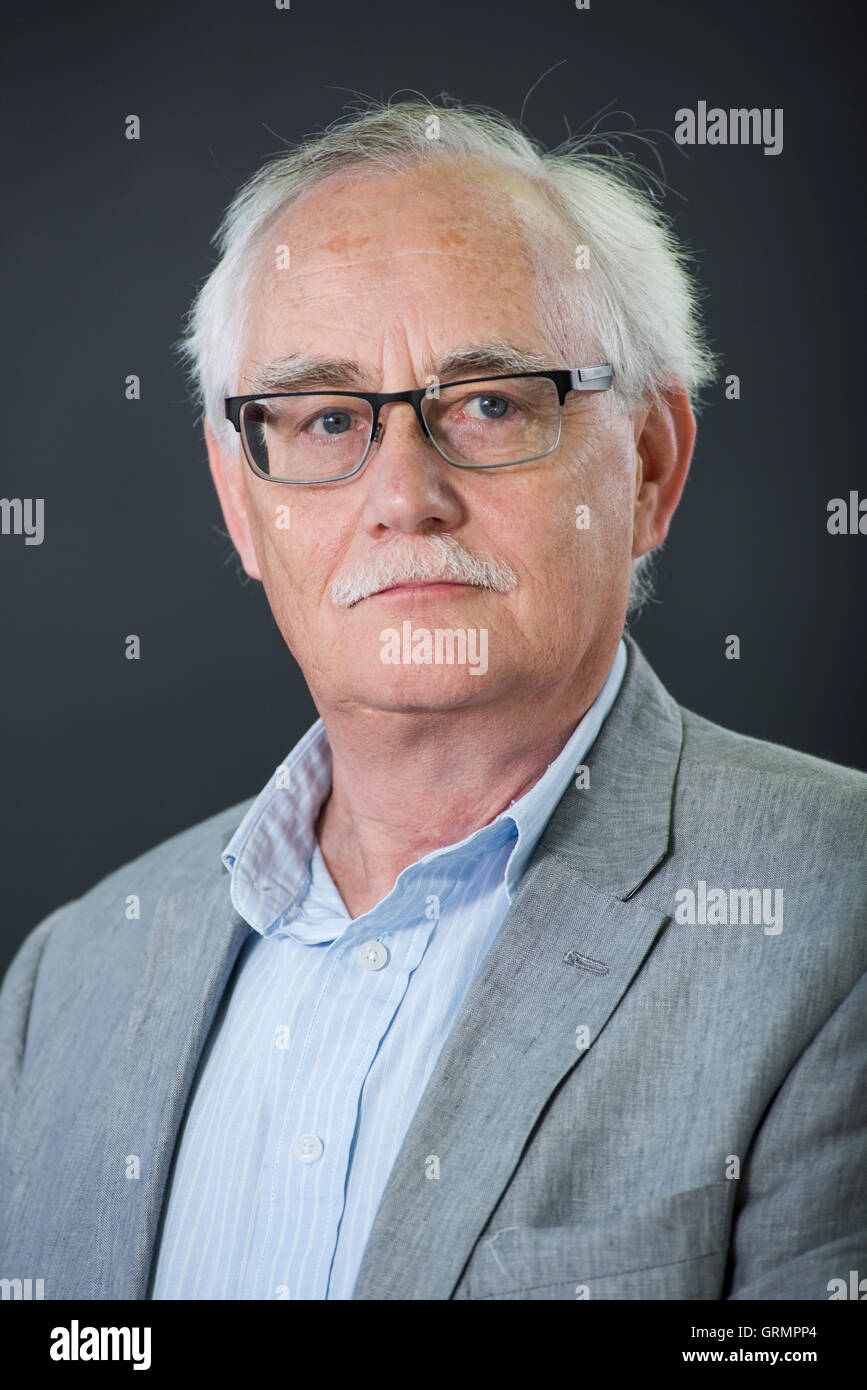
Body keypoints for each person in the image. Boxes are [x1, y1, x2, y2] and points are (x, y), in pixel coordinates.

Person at [1, 98, 864, 1301]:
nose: (405, 496)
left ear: (653, 463)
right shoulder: (68, 977)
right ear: (242, 502)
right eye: (324, 419)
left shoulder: (835, 911)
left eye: (493, 403)